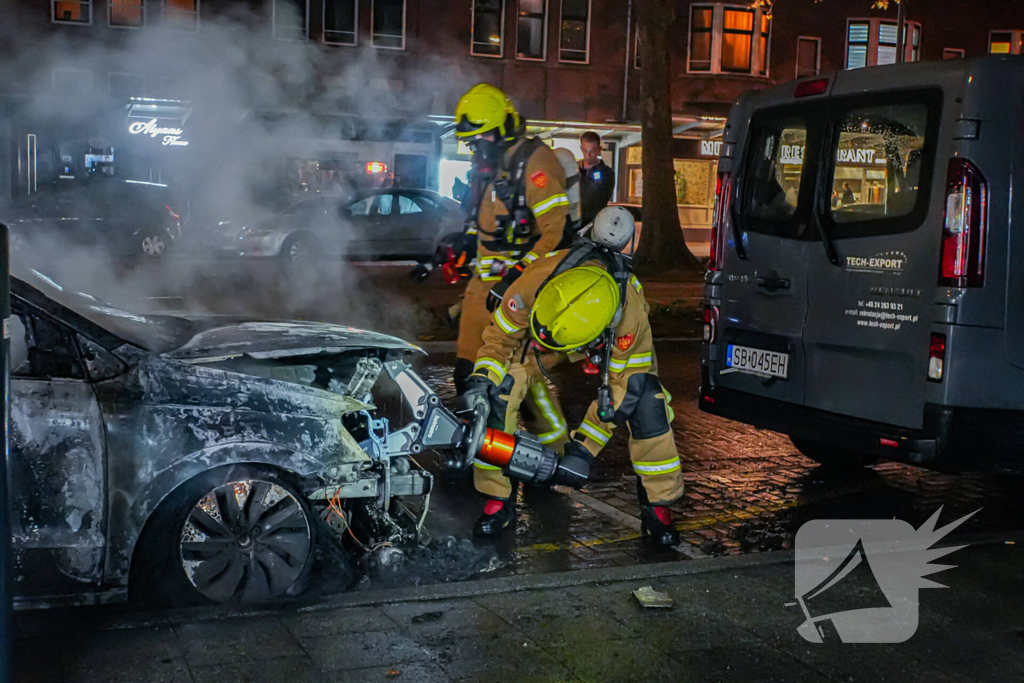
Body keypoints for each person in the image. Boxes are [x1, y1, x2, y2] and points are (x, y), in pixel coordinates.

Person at [463, 207, 684, 546]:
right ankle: (497, 501)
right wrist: (482, 379)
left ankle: (658, 509)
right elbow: (500, 340)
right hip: (545, 341)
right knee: (500, 392)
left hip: (608, 353)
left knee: (649, 403)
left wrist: (583, 451)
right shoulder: (536, 279)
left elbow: (624, 388)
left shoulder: (629, 315)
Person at [452, 83, 573, 535]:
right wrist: (462, 244)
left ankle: (549, 461)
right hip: (481, 295)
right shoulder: (490, 165)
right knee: (470, 378)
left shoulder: (536, 164)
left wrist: (515, 277)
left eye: (479, 137)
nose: (474, 147)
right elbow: (488, 227)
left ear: (501, 128)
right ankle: (479, 453)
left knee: (517, 390)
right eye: (470, 140)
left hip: (516, 295)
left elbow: (555, 236)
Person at [578, 131, 616, 227]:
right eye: (585, 151)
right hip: (572, 223)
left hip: (595, 224)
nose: (588, 155)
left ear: (599, 150)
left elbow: (600, 197)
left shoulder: (607, 173)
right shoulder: (572, 168)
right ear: (581, 149)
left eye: (592, 151)